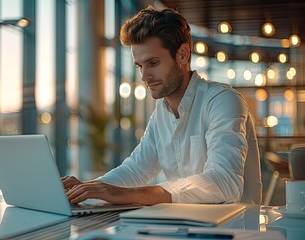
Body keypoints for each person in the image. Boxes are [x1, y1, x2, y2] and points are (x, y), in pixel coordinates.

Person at [62, 6, 261, 205]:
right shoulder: (161, 114)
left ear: (182, 54)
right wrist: (87, 190)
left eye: (153, 62)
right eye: (139, 66)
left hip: (233, 229)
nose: (144, 76)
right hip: (182, 229)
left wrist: (130, 194)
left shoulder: (222, 100)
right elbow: (135, 170)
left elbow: (225, 182)